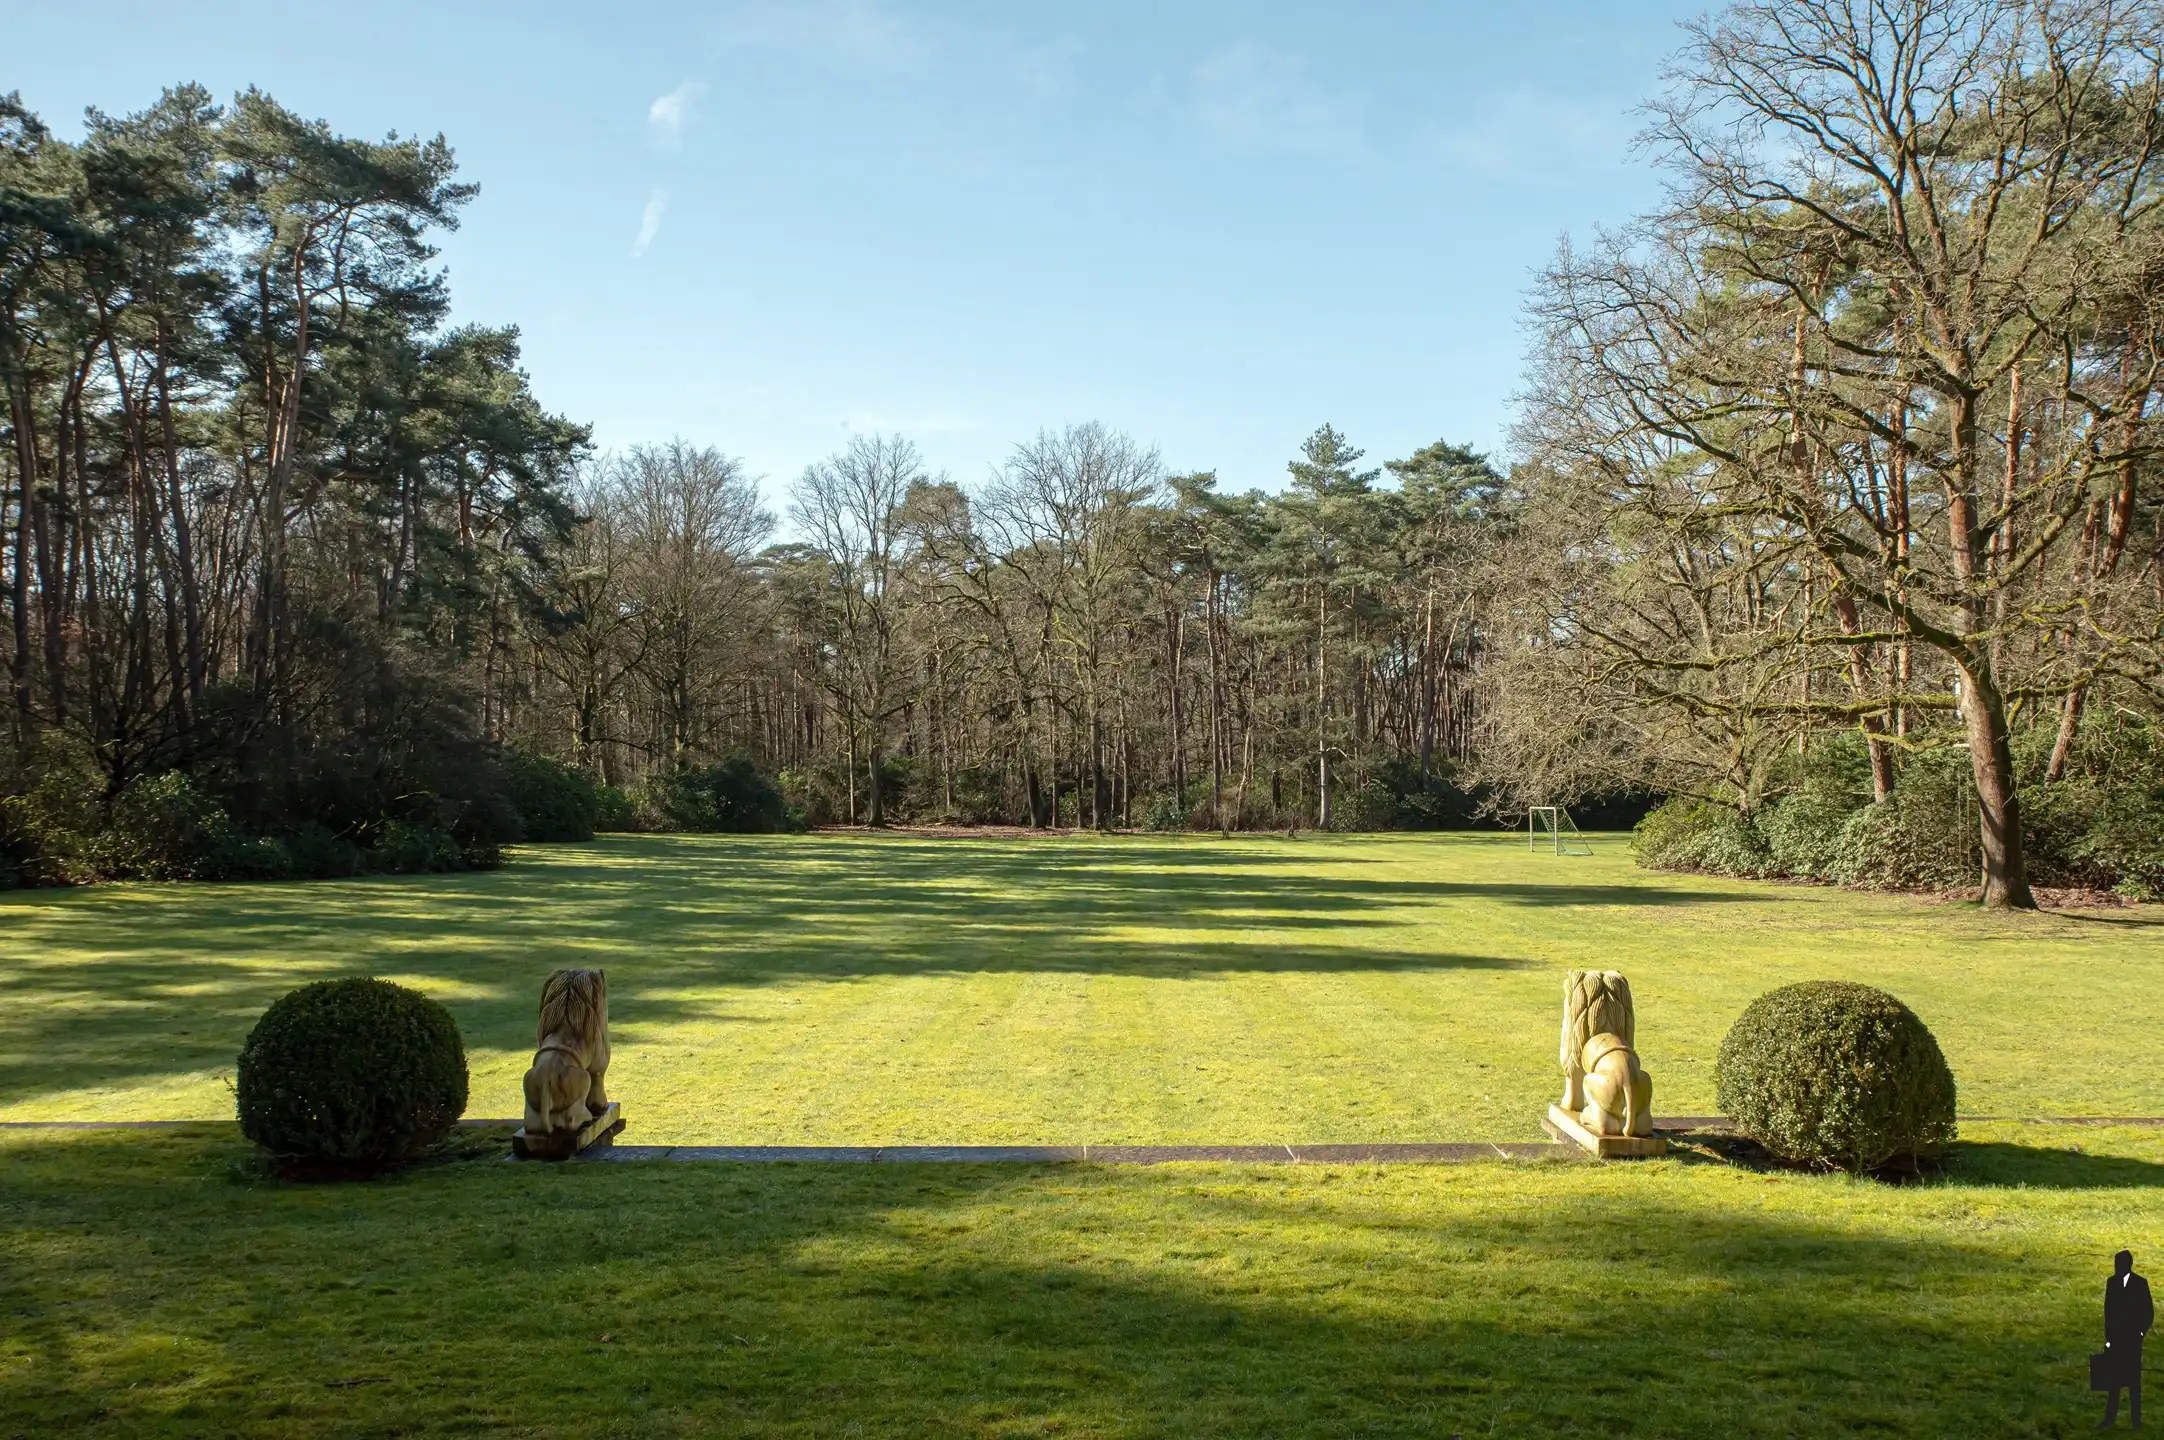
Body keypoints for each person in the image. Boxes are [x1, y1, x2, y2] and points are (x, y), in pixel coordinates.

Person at [2103, 1250, 2153, 1429]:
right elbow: (2108, 1312)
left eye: (2119, 1264)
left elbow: (2148, 1311)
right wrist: (2108, 1338)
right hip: (2116, 1340)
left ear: (2127, 1265)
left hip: (2132, 1341)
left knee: (2134, 1383)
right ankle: (2109, 1420)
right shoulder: (2112, 1282)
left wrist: (2140, 1333)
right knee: (2113, 1382)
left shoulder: (2140, 1284)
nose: (2116, 1268)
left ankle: (2136, 1421)